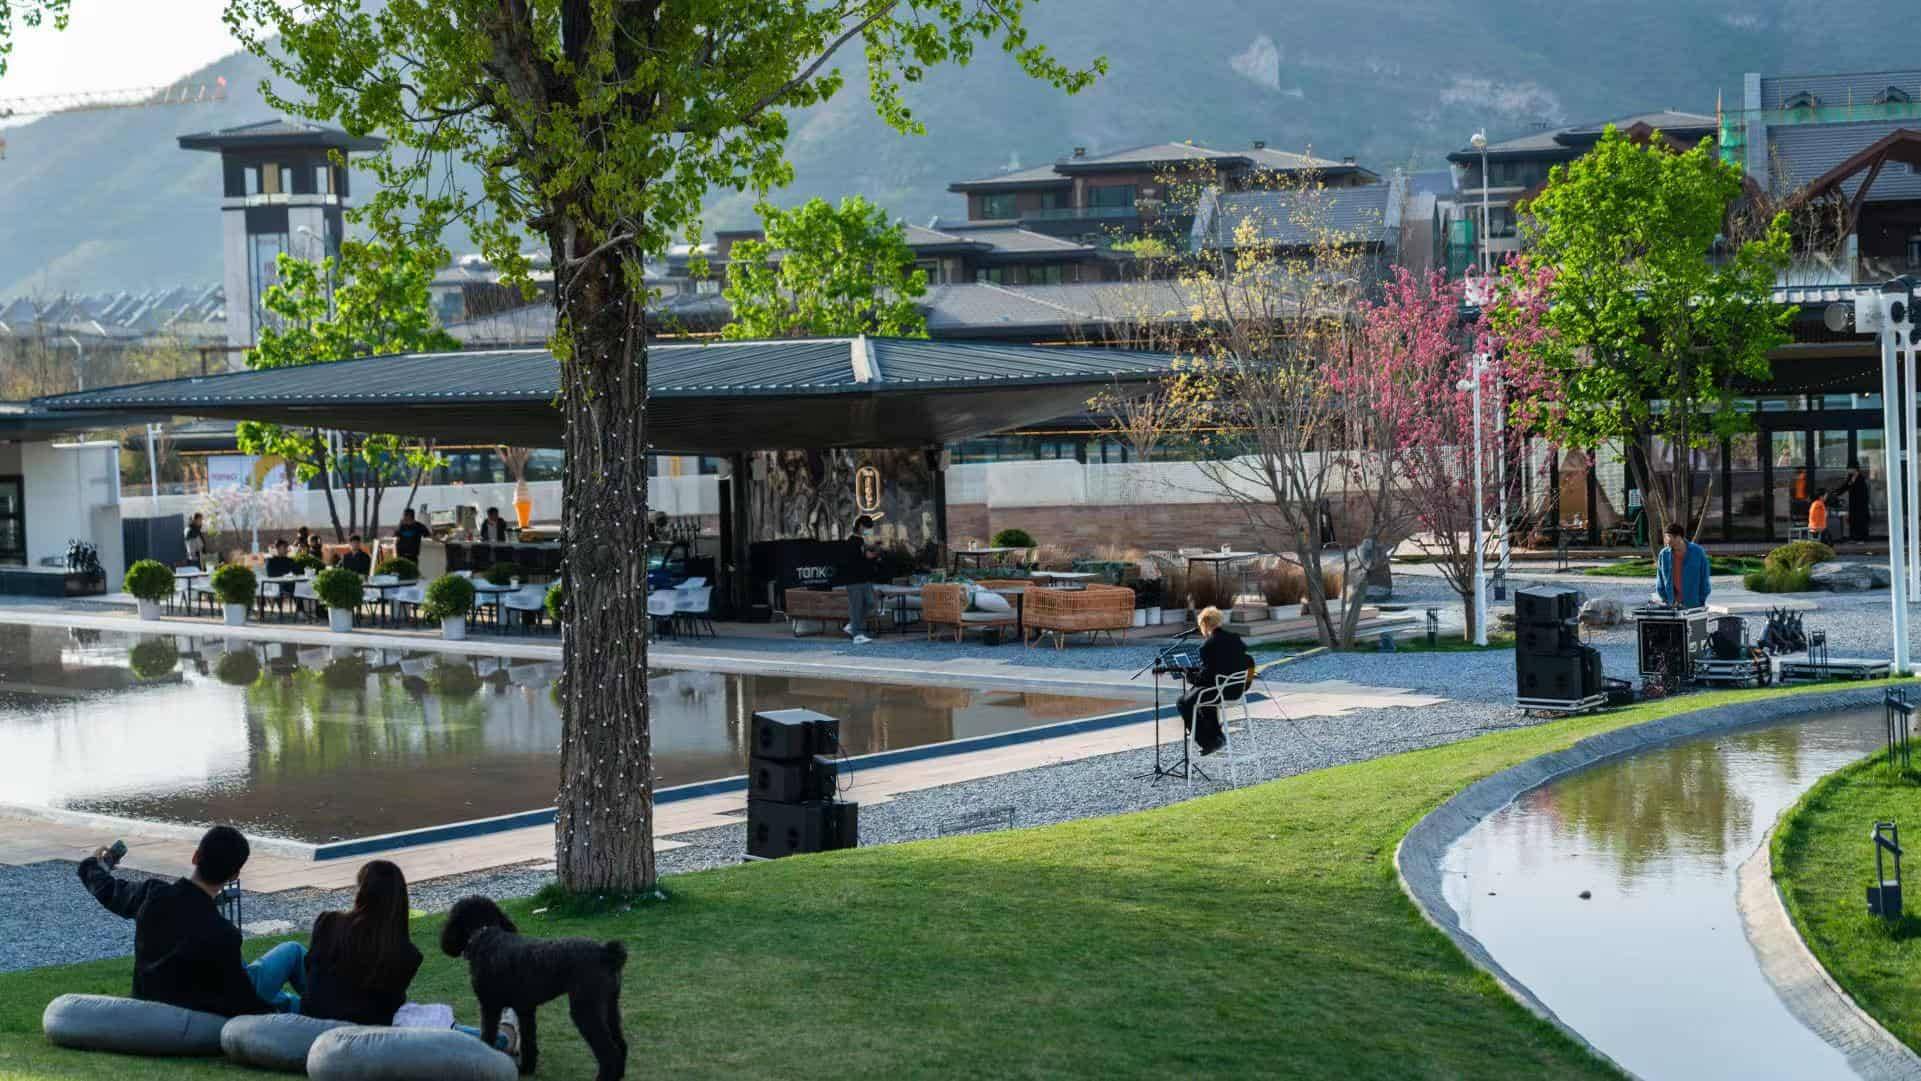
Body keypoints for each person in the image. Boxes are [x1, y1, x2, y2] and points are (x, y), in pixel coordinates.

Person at [77, 826, 303, 1017]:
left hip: (151, 996)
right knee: (292, 951)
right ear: (234, 876)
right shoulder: (223, 933)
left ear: (195, 857)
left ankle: (301, 1005)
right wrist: (273, 1011)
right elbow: (241, 1000)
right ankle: (320, 1008)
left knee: (275, 991)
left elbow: (107, 889)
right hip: (196, 1008)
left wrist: (93, 865)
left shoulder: (151, 895)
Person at [302, 860, 514, 1052]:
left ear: (361, 892)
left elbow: (312, 970)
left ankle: (505, 1031)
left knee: (293, 953)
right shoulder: (407, 954)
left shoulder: (328, 922)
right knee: (430, 1020)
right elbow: (391, 1005)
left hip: (321, 1013)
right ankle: (506, 1031)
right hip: (369, 1026)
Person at [1178, 606, 1252, 756]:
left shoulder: (1207, 646)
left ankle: (1207, 741)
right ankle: (1217, 738)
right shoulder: (1235, 638)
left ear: (1204, 624)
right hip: (1237, 688)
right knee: (1202, 699)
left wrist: (1189, 675)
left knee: (1183, 702)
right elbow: (1236, 661)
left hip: (1220, 691)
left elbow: (1205, 679)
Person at [842, 516, 884, 645]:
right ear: (860, 526)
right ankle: (857, 635)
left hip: (864, 578)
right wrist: (876, 552)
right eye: (867, 528)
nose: (869, 531)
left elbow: (864, 555)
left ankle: (852, 625)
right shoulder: (852, 541)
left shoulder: (860, 541)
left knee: (870, 603)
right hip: (854, 580)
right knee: (857, 607)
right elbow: (863, 557)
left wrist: (873, 550)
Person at [1654, 521, 1711, 609]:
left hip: (1694, 604)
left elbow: (1704, 578)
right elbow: (1660, 580)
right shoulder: (1663, 554)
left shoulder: (1698, 552)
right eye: (1665, 537)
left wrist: (1701, 600)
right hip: (1671, 605)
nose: (1666, 541)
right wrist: (1665, 599)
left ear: (1679, 537)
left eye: (1668, 537)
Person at [1847, 461, 1872, 543]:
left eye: (1850, 468)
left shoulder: (1861, 479)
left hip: (1861, 504)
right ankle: (1854, 538)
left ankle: (1862, 538)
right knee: (1853, 521)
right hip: (1853, 504)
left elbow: (1864, 493)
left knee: (1861, 521)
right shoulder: (1850, 478)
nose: (1848, 470)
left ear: (1855, 469)